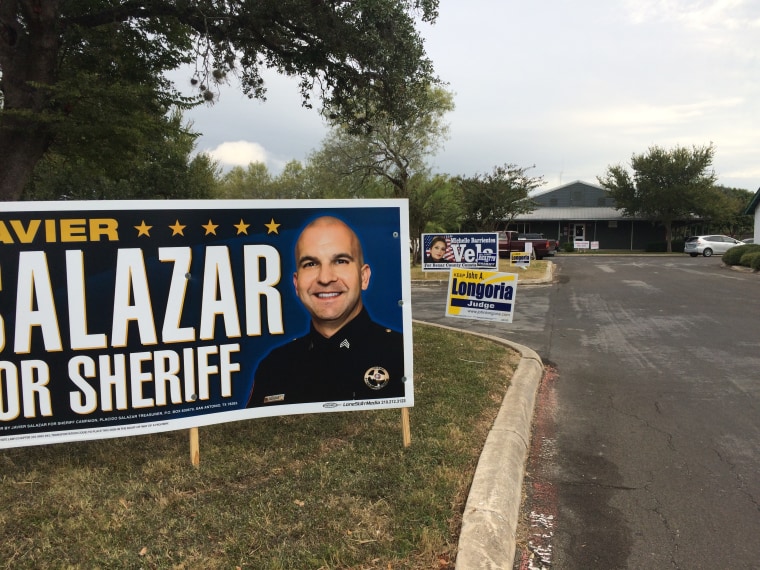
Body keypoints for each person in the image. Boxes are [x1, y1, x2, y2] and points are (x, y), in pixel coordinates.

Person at [247, 216, 405, 406]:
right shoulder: (274, 365)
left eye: (340, 261)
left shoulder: (401, 354)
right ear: (296, 284)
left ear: (364, 277)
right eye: (311, 264)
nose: (325, 278)